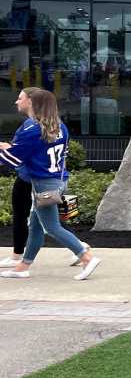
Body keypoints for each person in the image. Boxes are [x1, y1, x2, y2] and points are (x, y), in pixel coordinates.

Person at [0, 87, 100, 281]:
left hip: (44, 185)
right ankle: (23, 266)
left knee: (52, 227)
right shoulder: (59, 126)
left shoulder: (31, 128)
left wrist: (6, 150)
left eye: (20, 98)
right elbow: (38, 152)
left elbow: (13, 160)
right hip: (59, 181)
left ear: (31, 102)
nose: (16, 102)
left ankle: (86, 257)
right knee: (36, 226)